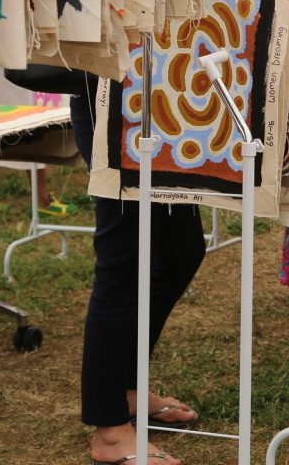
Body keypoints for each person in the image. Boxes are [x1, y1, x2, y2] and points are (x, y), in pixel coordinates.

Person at [70, 88, 207, 465]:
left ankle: (127, 390)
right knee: (124, 260)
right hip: (114, 97)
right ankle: (110, 430)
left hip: (164, 98)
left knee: (181, 251)